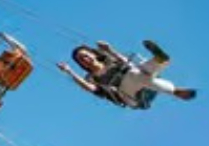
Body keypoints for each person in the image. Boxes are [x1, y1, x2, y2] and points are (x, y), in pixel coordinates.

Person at [58, 39, 197, 108]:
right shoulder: (91, 78)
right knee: (136, 74)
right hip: (127, 96)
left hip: (140, 78)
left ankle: (160, 60)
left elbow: (125, 61)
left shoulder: (110, 60)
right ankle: (160, 63)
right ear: (81, 65)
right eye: (81, 59)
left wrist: (109, 49)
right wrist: (69, 72)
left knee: (136, 71)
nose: (85, 59)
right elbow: (89, 88)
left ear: (93, 54)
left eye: (86, 55)